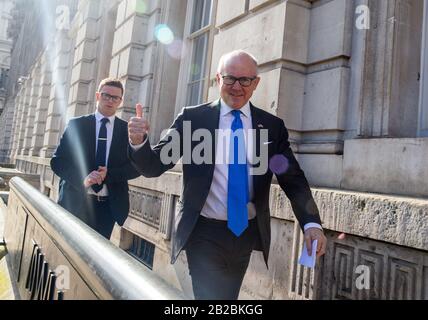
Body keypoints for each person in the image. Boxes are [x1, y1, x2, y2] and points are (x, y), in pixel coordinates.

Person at [128, 50, 327, 300]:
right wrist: (138, 142)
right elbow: (154, 165)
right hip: (203, 232)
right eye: (230, 78)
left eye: (245, 80)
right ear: (217, 79)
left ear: (256, 83)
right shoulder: (194, 119)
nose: (237, 87)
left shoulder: (272, 127)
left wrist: (311, 223)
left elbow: (292, 179)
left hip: (244, 234)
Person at [51, 78, 140, 239]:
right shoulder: (76, 125)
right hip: (76, 201)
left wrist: (110, 174)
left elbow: (137, 168)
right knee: (70, 252)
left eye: (115, 98)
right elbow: (58, 161)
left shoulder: (126, 131)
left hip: (108, 207)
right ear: (98, 96)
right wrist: (83, 178)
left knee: (95, 261)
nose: (110, 101)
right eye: (106, 95)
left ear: (120, 101)